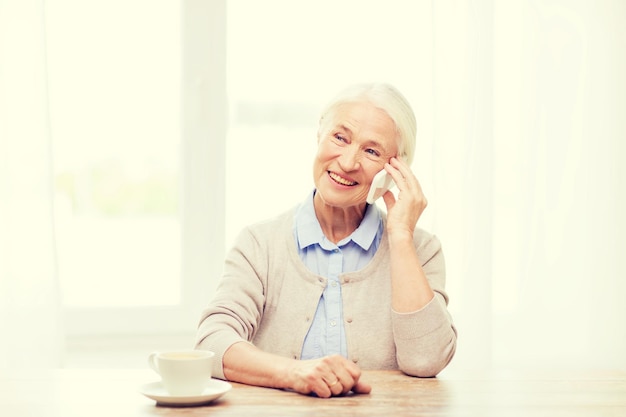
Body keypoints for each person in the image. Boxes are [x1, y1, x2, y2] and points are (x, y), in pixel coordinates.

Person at [195, 83, 457, 398]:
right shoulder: (259, 244)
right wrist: (293, 373)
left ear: (394, 169)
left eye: (371, 151)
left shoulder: (422, 250)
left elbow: (427, 360)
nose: (348, 162)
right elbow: (212, 343)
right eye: (340, 138)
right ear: (319, 134)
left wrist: (401, 237)